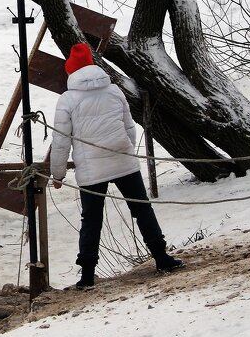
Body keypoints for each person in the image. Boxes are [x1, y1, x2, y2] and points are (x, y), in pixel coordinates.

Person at [49, 42, 183, 289]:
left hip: (91, 171)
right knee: (142, 209)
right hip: (123, 160)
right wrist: (127, 151)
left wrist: (57, 174)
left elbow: (61, 141)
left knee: (91, 219)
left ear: (72, 71)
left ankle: (87, 276)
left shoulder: (67, 99)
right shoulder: (114, 90)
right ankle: (162, 258)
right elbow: (130, 127)